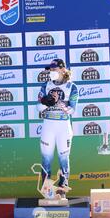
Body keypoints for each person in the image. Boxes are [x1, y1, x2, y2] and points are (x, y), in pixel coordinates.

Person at [37, 59, 78, 198]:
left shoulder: (71, 87)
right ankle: (47, 192)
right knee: (46, 160)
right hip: (48, 126)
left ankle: (62, 191)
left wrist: (61, 105)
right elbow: (38, 107)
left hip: (63, 128)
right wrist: (47, 102)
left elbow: (72, 110)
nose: (51, 72)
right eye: (50, 70)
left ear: (62, 69)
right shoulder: (46, 86)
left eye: (53, 69)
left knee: (63, 159)